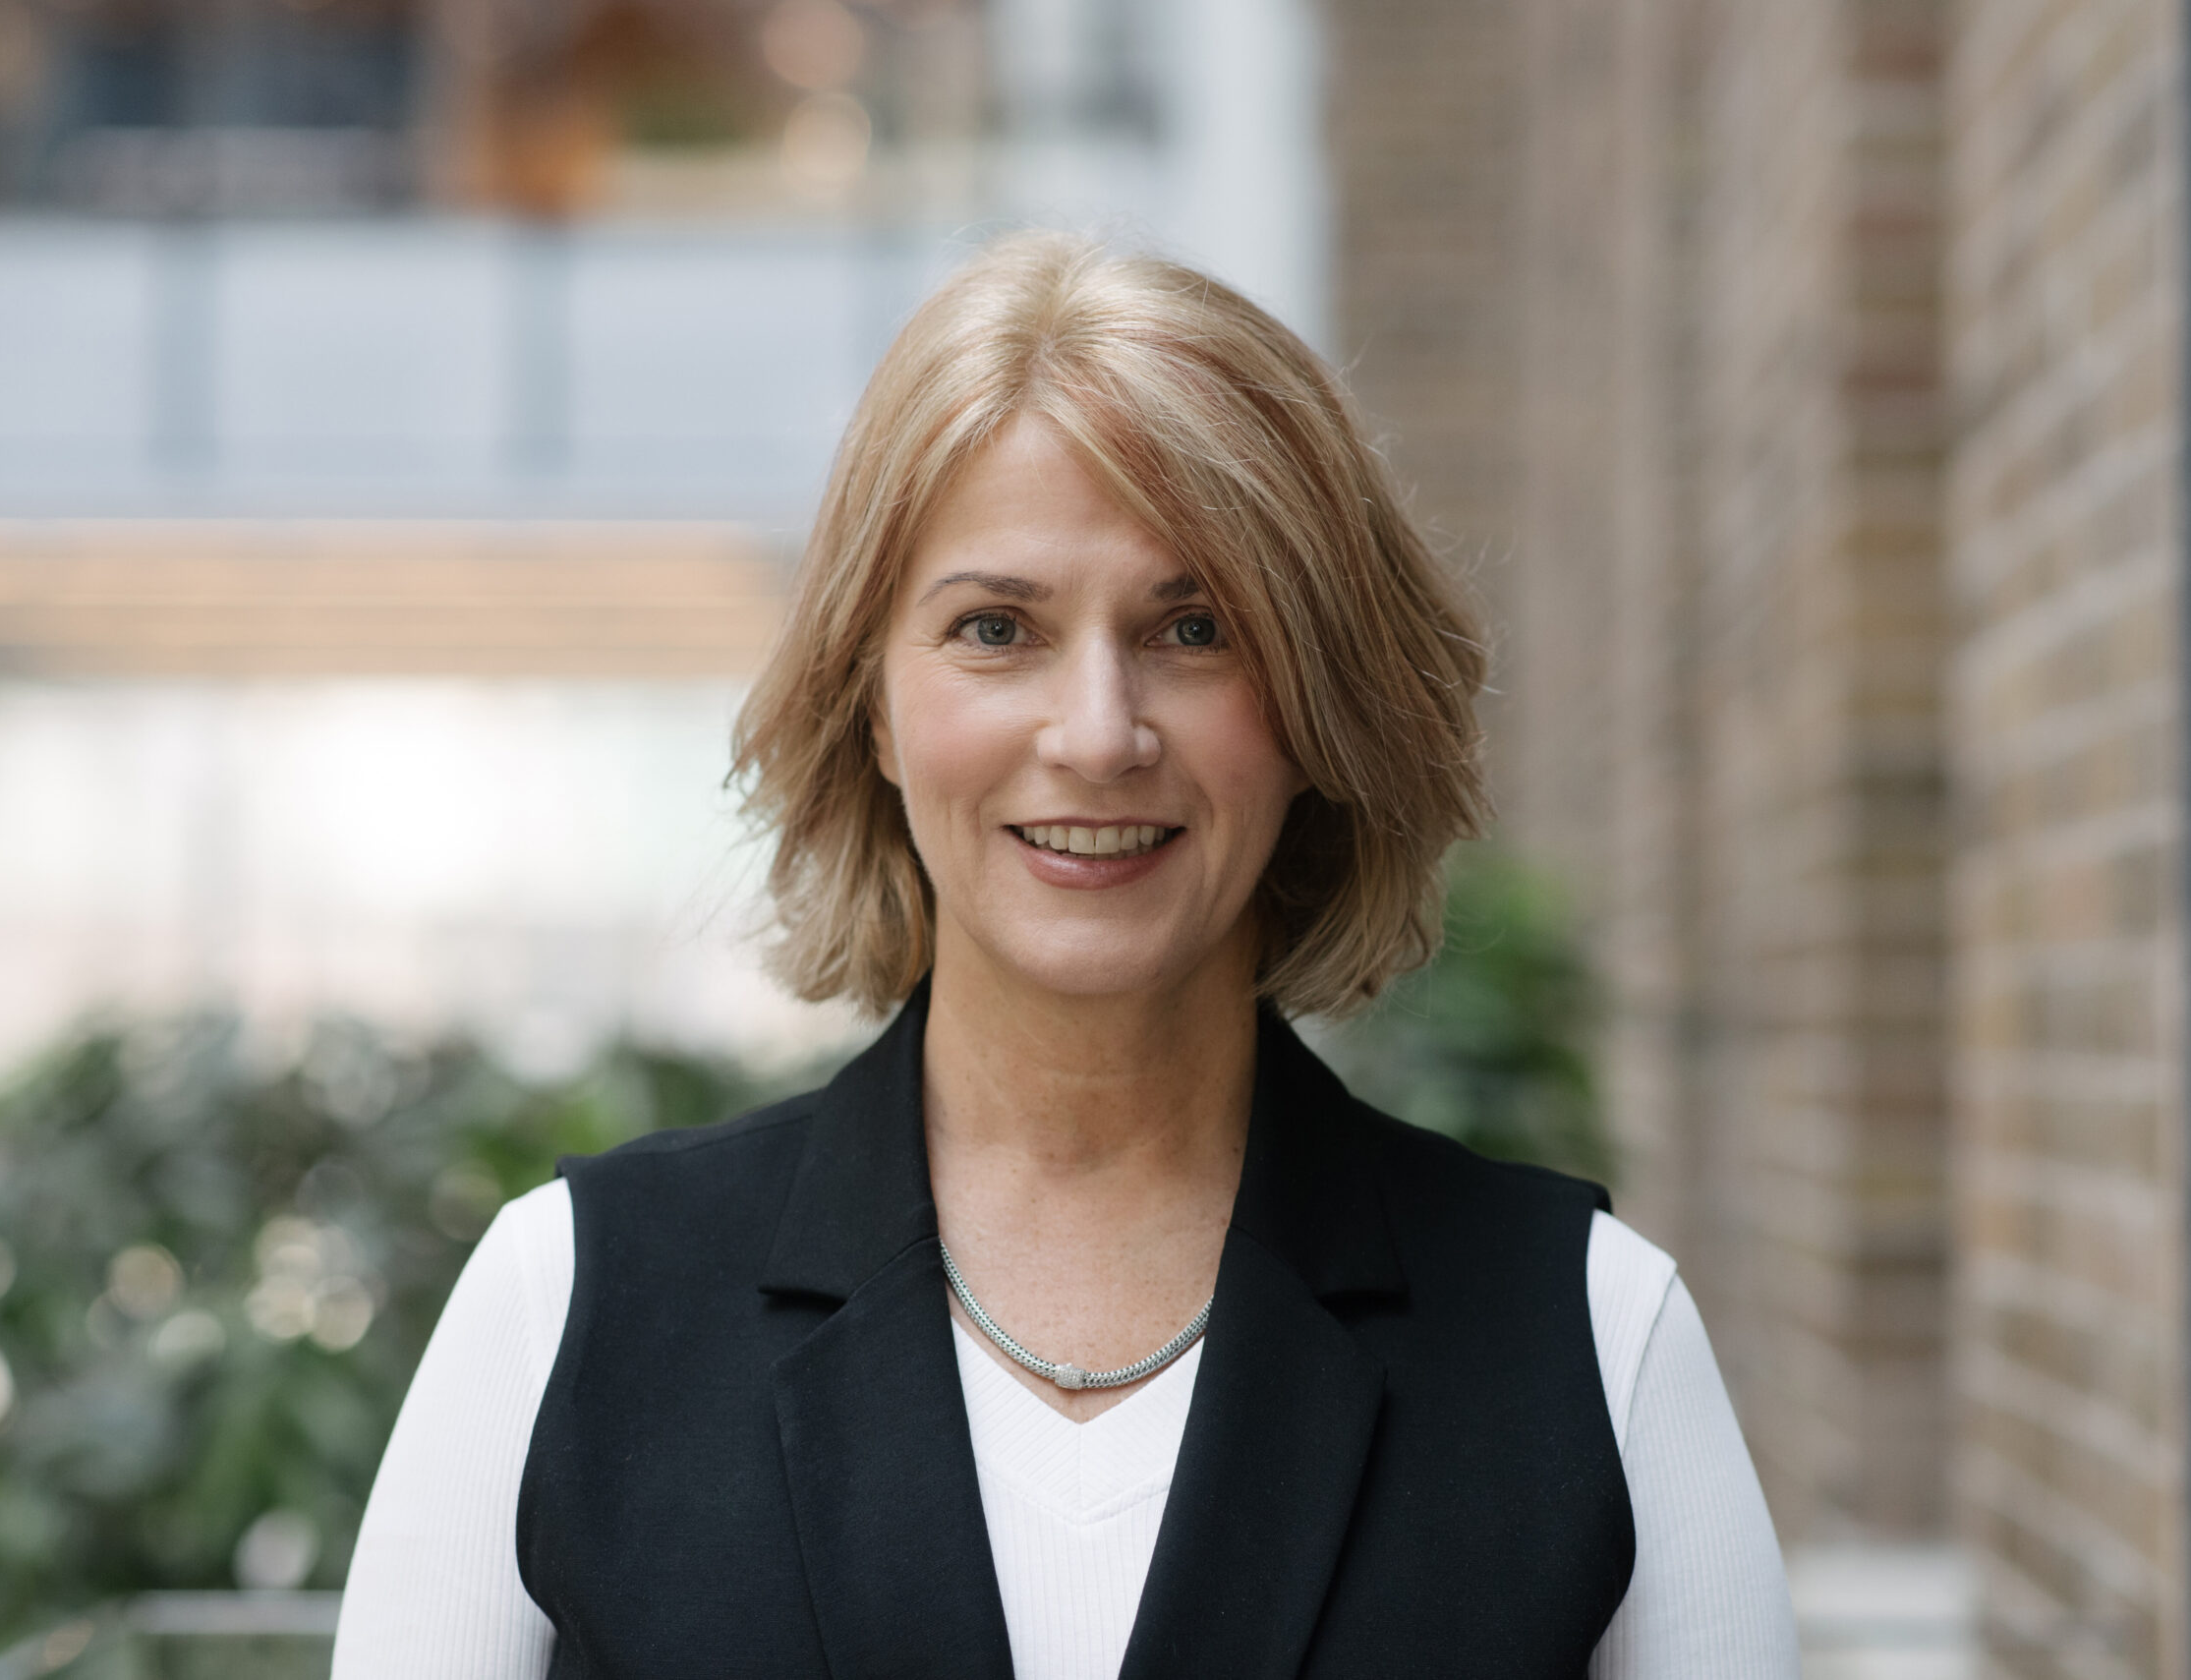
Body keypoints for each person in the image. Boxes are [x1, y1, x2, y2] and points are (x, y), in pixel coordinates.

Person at [333, 232, 1799, 1680]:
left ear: (1316, 709)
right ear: (875, 706)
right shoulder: (570, 1302)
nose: (1099, 731)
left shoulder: (1593, 1335)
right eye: (996, 628)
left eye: (1195, 625)